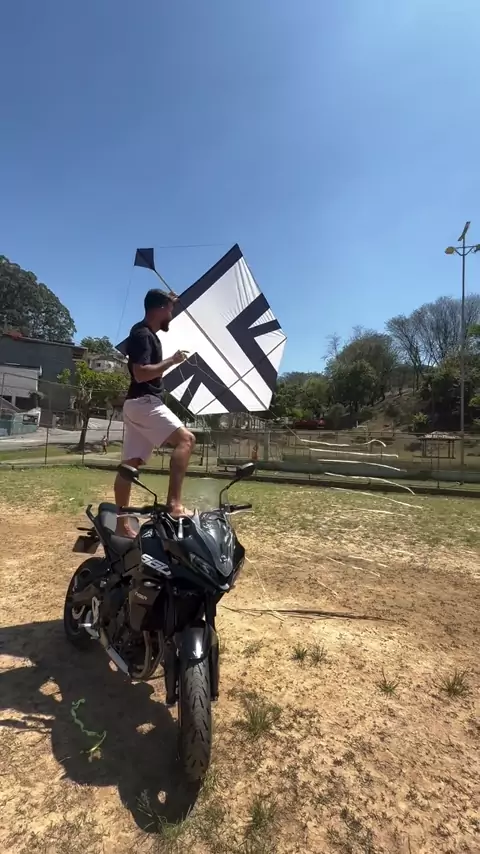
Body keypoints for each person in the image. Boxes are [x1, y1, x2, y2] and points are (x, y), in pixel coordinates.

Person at [114, 289, 195, 535]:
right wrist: (172, 360)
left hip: (135, 405)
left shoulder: (146, 334)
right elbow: (140, 373)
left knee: (130, 465)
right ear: (159, 309)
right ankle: (174, 506)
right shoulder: (142, 334)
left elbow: (142, 371)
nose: (171, 314)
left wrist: (171, 300)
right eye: (169, 310)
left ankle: (121, 526)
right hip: (145, 403)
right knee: (186, 440)